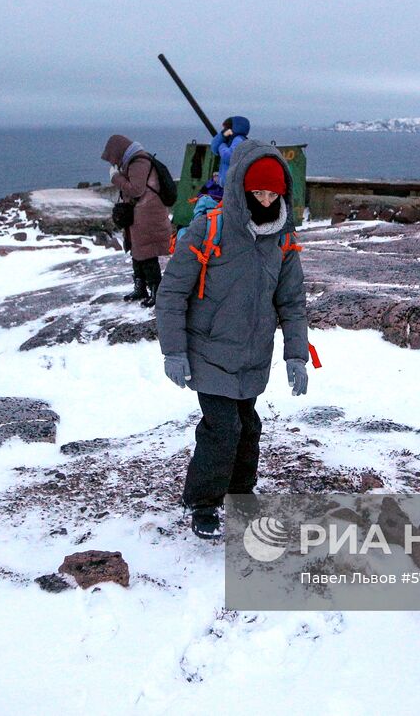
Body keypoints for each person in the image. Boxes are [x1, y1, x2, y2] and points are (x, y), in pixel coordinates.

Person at [156, 139, 310, 539]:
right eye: (256, 191)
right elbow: (172, 292)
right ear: (241, 187)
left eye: (272, 193)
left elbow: (292, 302)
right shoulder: (208, 230)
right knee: (223, 428)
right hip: (207, 351)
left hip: (253, 355)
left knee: (248, 427)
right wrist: (173, 351)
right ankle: (203, 502)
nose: (263, 200)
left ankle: (241, 496)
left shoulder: (283, 239)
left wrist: (297, 356)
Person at [101, 134, 172, 307]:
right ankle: (141, 288)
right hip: (139, 213)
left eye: (113, 159)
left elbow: (136, 190)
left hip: (148, 213)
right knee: (136, 250)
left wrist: (115, 178)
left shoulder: (138, 162)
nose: (113, 163)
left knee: (147, 252)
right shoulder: (131, 161)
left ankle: (157, 291)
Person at [209, 116, 251, 184]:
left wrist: (222, 146)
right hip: (228, 184)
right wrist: (222, 136)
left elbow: (230, 157)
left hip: (233, 184)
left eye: (226, 128)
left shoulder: (239, 139)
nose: (225, 130)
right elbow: (214, 148)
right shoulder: (230, 139)